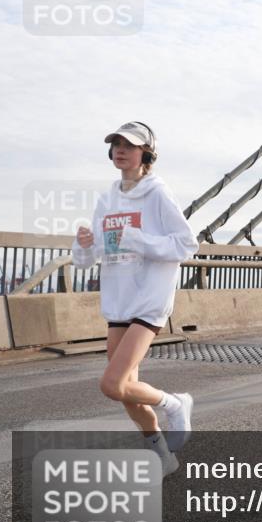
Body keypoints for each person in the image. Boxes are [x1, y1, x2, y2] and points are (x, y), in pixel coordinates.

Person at [72, 121, 198, 476]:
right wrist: (82, 245)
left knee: (112, 383)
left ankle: (176, 403)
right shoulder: (107, 198)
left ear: (146, 153)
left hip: (149, 301)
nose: (120, 149)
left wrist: (137, 238)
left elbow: (186, 244)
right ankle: (163, 456)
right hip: (119, 302)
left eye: (129, 144)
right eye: (115, 143)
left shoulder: (158, 192)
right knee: (125, 389)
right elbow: (91, 256)